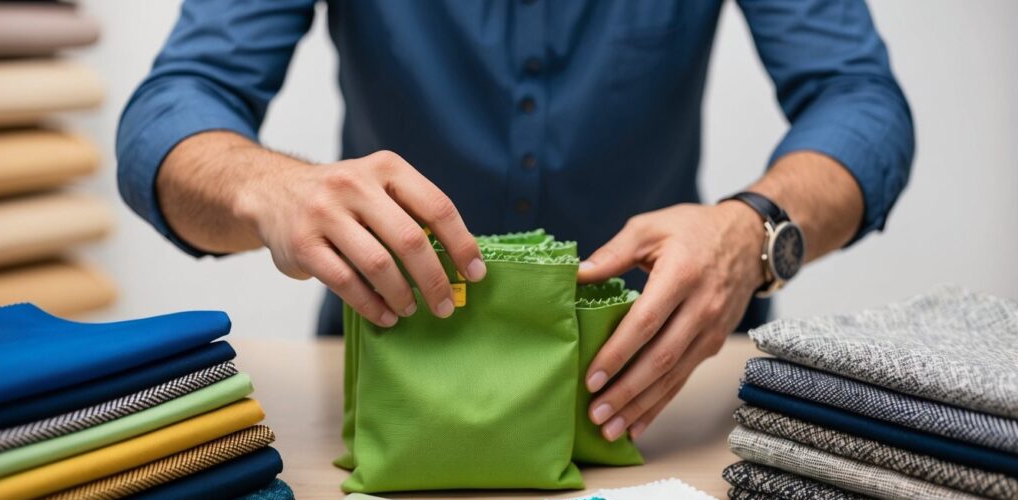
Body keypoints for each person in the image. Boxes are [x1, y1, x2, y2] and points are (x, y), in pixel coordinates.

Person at [117, 1, 914, 443]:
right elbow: (169, 111)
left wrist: (752, 231)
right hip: (385, 385)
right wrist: (269, 188)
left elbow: (862, 98)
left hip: (667, 397)